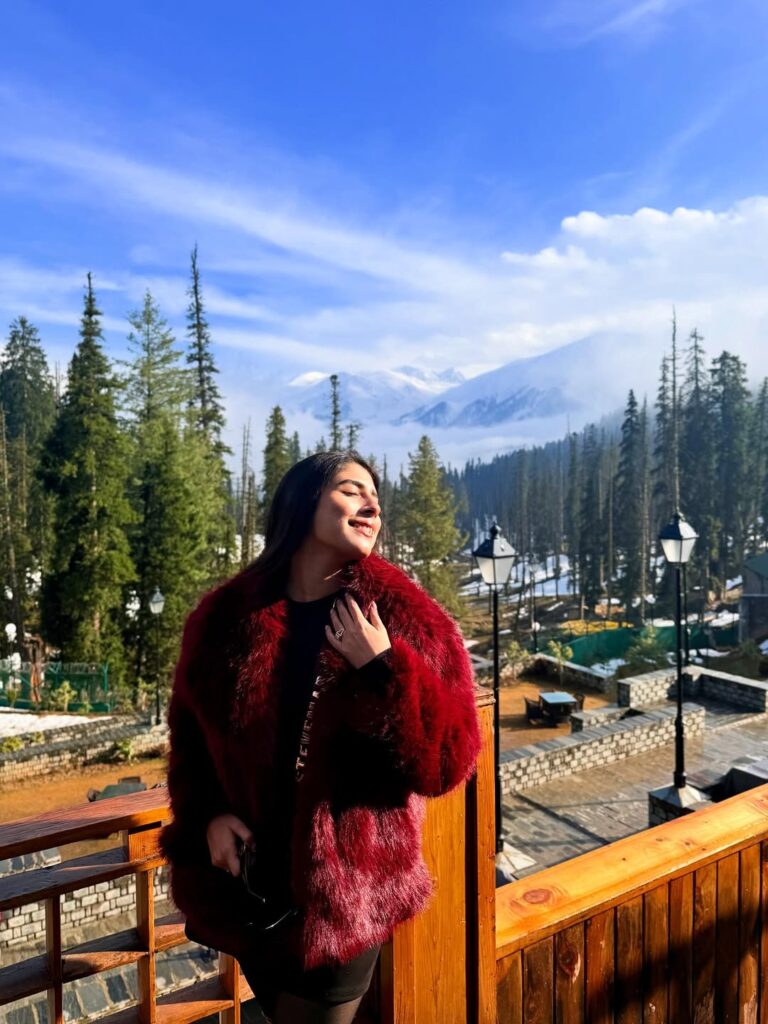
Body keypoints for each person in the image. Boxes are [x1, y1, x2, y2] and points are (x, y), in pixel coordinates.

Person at [159, 450, 482, 1024]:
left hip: (349, 899)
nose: (372, 505)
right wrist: (206, 816)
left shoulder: (406, 619)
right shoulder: (225, 618)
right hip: (249, 891)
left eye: (376, 497)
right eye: (352, 490)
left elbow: (447, 763)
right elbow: (190, 737)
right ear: (303, 502)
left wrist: (383, 669)